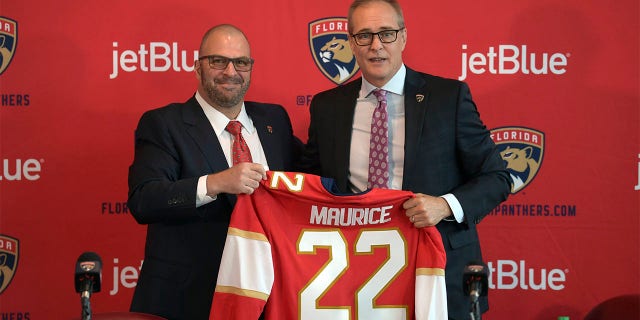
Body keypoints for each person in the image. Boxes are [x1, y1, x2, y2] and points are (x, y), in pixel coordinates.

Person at [299, 0, 512, 319]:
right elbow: (312, 184)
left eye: (386, 33)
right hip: (353, 274)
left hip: (436, 268)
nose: (376, 46)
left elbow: (497, 177)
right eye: (364, 36)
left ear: (403, 38)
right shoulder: (328, 107)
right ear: (351, 42)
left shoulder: (448, 98)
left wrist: (445, 205)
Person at [127, 24, 300, 320]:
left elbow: (313, 181)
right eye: (218, 61)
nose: (231, 71)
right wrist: (215, 183)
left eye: (241, 62)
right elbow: (144, 200)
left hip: (268, 294)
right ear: (197, 68)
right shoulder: (164, 124)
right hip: (189, 299)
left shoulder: (275, 120)